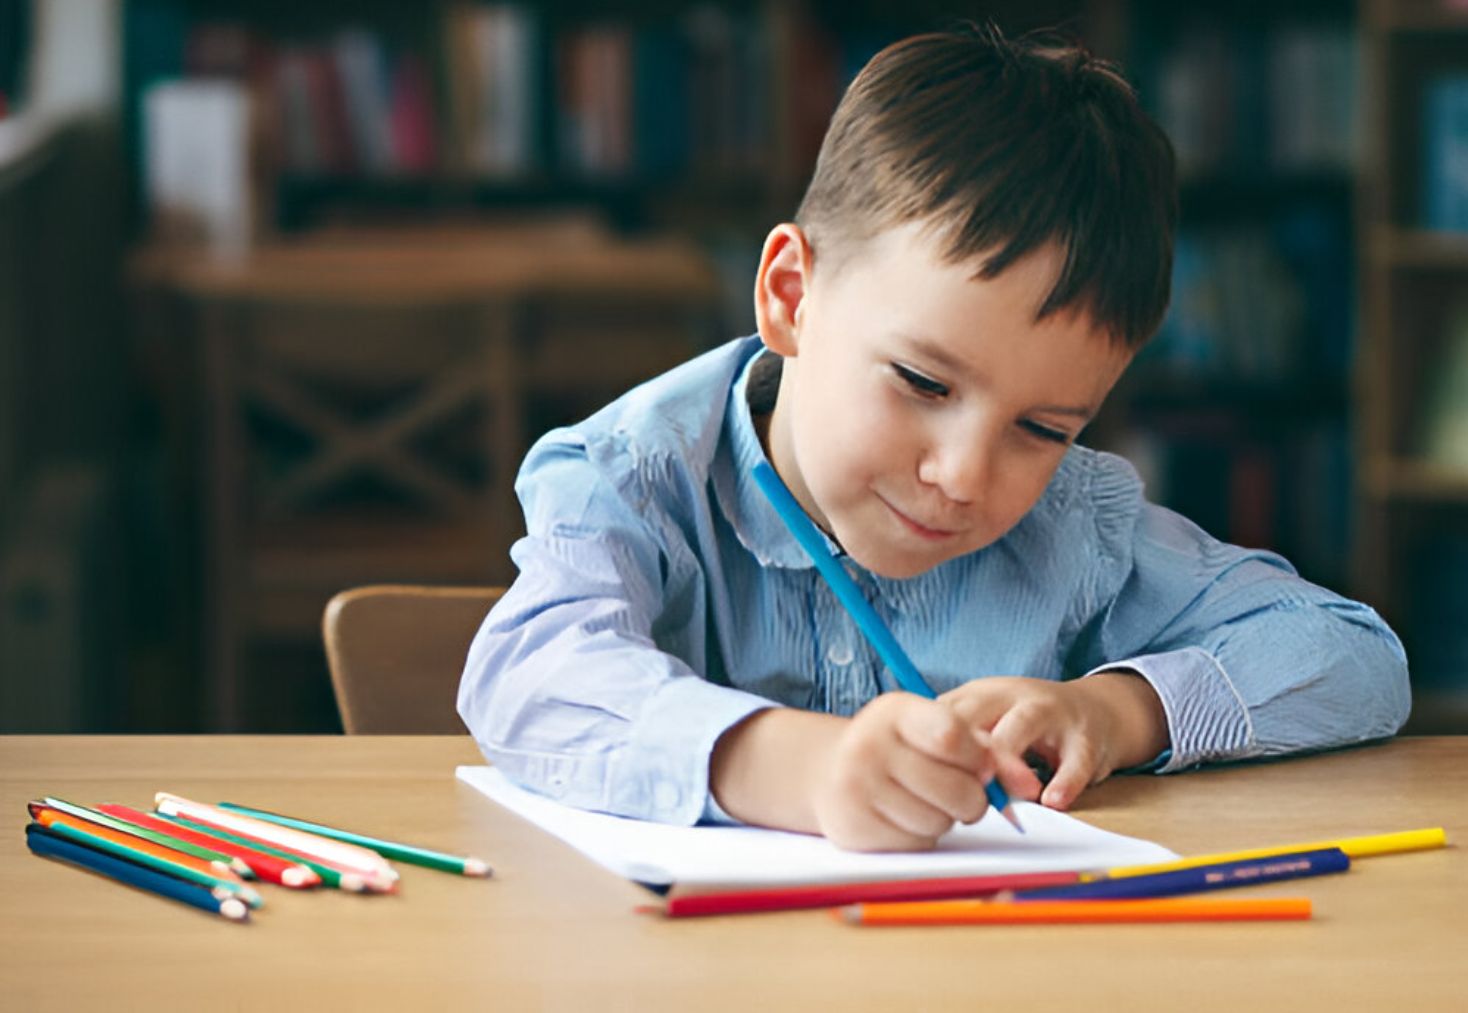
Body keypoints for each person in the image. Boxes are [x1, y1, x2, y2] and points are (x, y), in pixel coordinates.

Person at [458, 26, 1409, 852]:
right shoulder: (632, 479)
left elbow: (1352, 655)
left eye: (1041, 429)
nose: (963, 476)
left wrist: (1117, 711)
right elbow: (528, 675)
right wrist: (798, 767)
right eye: (922, 381)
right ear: (791, 296)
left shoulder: (1076, 523)